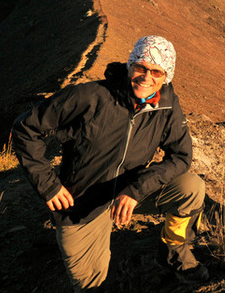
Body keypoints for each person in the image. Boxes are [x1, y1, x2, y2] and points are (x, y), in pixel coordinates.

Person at [12, 35, 208, 291]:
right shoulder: (90, 96)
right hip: (82, 205)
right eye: (140, 67)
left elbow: (181, 156)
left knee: (191, 187)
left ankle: (174, 252)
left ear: (166, 76)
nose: (146, 77)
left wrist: (136, 190)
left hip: (128, 195)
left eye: (156, 72)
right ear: (130, 66)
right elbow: (26, 128)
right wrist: (48, 185)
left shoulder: (166, 105)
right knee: (93, 286)